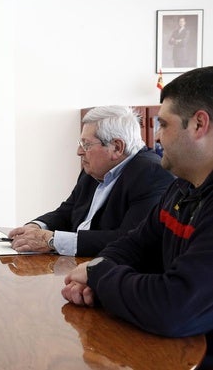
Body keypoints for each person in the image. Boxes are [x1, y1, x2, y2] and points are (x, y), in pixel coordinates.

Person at [62, 66, 213, 367]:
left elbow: (173, 306)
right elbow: (134, 244)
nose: (155, 136)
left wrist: (97, 276)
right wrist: (98, 270)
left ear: (199, 124)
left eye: (163, 124)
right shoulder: (181, 187)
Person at [9, 105, 174, 257]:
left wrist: (53, 241)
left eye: (86, 145)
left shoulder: (151, 173)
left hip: (110, 272)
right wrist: (36, 227)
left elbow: (130, 238)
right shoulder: (94, 170)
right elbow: (67, 212)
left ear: (117, 147)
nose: (79, 152)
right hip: (74, 264)